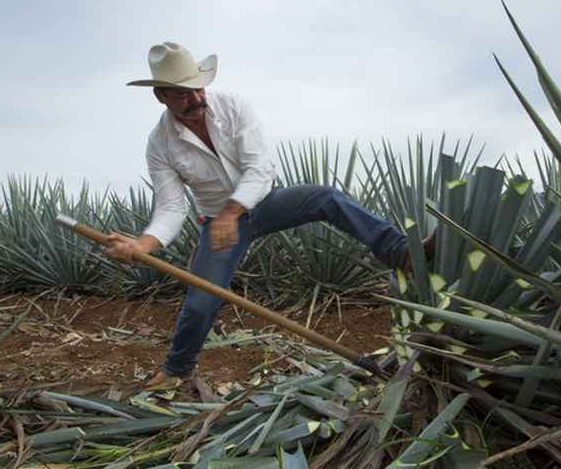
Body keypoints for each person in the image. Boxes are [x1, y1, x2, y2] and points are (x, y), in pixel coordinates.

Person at [104, 42, 415, 389]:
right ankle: (177, 369)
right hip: (219, 228)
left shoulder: (233, 107)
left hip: (264, 203)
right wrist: (143, 246)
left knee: (326, 198)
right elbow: (171, 206)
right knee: (200, 300)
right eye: (181, 94)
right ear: (160, 96)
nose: (194, 99)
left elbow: (260, 169)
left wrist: (231, 211)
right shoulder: (159, 144)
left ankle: (400, 252)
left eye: (197, 88)